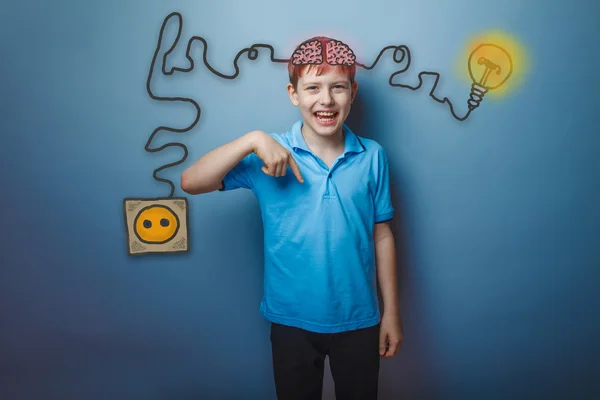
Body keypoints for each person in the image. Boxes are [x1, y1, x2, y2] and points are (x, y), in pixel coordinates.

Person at [180, 36, 403, 400]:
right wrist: (252, 139)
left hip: (360, 317)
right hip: (290, 321)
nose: (326, 100)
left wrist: (391, 311)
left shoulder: (372, 156)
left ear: (353, 92)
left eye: (338, 88)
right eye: (312, 87)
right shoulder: (270, 153)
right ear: (293, 93)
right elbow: (191, 181)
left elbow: (382, 235)